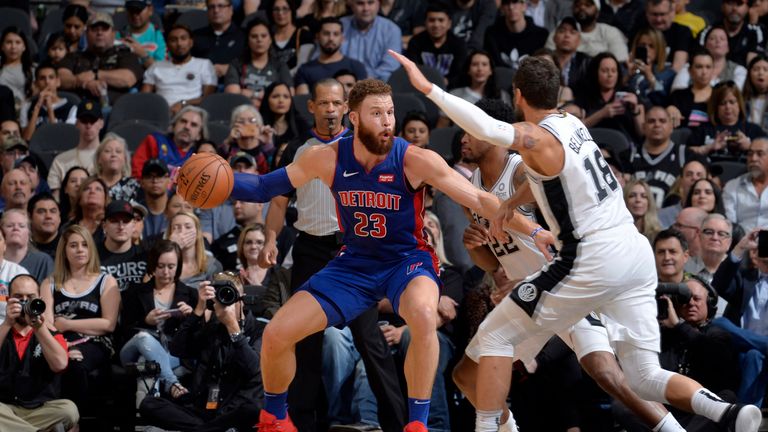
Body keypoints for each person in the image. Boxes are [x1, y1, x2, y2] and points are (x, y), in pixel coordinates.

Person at [391, 50, 763, 432]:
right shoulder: (573, 124)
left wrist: (429, 88)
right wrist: (507, 207)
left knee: (496, 339)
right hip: (631, 252)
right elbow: (551, 178)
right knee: (642, 375)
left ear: (518, 95)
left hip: (587, 261)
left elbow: (491, 130)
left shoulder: (534, 139)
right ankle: (728, 413)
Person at [227, 77, 504, 432]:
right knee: (279, 334)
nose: (387, 120)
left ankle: (415, 424)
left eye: (390, 112)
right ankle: (276, 419)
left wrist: (536, 230)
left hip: (404, 259)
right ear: (353, 117)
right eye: (377, 113)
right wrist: (219, 180)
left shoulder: (412, 158)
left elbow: (479, 199)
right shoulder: (322, 156)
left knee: (412, 322)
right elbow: (266, 188)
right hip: (349, 260)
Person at [457, 96, 684, 432]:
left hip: (562, 286)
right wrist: (474, 245)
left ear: (490, 133)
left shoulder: (521, 172)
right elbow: (493, 263)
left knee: (606, 371)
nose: (462, 138)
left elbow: (564, 231)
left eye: (469, 131)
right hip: (528, 298)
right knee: (467, 376)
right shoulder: (470, 188)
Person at [256, 78, 407, 432]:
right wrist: (270, 239)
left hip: (354, 251)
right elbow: (277, 202)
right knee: (304, 342)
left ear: (347, 110)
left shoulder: (362, 146)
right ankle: (302, 424)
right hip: (310, 248)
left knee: (369, 340)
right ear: (311, 107)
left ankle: (398, 424)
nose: (330, 110)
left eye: (336, 103)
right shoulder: (297, 149)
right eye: (323, 103)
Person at [139, 271, 262, 431]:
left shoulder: (259, 331)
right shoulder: (212, 328)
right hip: (202, 409)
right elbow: (177, 349)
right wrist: (198, 310)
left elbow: (254, 369)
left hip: (233, 411)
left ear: (242, 299)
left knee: (253, 409)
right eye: (220, 296)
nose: (225, 301)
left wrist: (233, 327)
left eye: (230, 295)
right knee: (149, 404)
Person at [40, 224, 120, 413]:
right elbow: (48, 324)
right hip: (60, 341)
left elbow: (108, 324)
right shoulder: (50, 283)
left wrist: (67, 324)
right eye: (73, 245)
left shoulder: (106, 281)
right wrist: (62, 346)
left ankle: (75, 421)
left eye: (85, 245)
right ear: (64, 250)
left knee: (76, 364)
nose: (80, 250)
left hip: (96, 342)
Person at [119, 239, 196, 405]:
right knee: (143, 337)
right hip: (133, 350)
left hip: (172, 353)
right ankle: (172, 383)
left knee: (148, 365)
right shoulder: (135, 292)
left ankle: (145, 417)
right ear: (153, 265)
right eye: (161, 266)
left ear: (178, 266)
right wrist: (146, 321)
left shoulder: (191, 294)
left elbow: (198, 337)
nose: (166, 272)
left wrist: (191, 316)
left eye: (171, 266)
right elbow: (123, 331)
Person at [0, 274, 79, 432]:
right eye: (18, 298)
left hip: (41, 409)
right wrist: (7, 323)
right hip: (6, 408)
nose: (24, 302)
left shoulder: (51, 332)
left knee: (69, 410)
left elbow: (60, 365)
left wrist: (39, 328)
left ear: (40, 301)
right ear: (8, 300)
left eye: (30, 298)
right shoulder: (3, 331)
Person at [711, 228, 768, 406]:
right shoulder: (745, 278)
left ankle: (742, 413)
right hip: (740, 348)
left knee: (754, 355)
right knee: (720, 323)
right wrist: (740, 247)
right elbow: (718, 286)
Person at [57, 13, 143, 104]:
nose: (99, 33)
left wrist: (96, 74)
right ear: (86, 33)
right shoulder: (73, 56)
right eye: (94, 29)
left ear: (113, 33)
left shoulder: (125, 55)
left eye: (104, 29)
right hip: (79, 108)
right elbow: (60, 78)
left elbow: (128, 79)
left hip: (115, 109)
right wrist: (84, 83)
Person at [629, 106, 700, 207]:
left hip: (673, 215)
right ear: (643, 127)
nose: (657, 125)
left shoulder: (686, 155)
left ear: (671, 126)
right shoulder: (629, 156)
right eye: (651, 121)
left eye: (662, 121)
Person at [141, 24, 217, 115]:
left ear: (191, 42)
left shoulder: (204, 64)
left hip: (191, 113)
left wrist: (183, 104)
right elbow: (144, 98)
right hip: (161, 113)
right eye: (173, 40)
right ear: (167, 45)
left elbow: (208, 99)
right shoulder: (156, 67)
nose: (179, 44)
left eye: (183, 38)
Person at [575, 52, 644, 144]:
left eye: (613, 71)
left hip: (624, 146)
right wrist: (602, 113)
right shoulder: (585, 95)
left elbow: (643, 134)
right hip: (593, 144)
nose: (610, 75)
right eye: (604, 71)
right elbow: (577, 129)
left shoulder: (629, 93)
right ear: (595, 72)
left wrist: (635, 111)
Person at [687, 81, 765, 161]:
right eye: (722, 103)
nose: (728, 107)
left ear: (739, 104)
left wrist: (750, 147)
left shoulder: (754, 130)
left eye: (732, 102)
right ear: (715, 106)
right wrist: (709, 147)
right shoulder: (704, 129)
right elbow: (685, 152)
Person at [223, 18, 293, 107]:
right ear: (248, 41)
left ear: (270, 40)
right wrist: (266, 95)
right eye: (254, 36)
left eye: (263, 36)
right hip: (243, 110)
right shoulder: (236, 64)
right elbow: (232, 95)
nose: (259, 40)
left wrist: (251, 94)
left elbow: (289, 95)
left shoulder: (280, 65)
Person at [295, 17, 368, 96]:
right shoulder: (305, 70)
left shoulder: (356, 66)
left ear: (342, 38)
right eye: (326, 33)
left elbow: (363, 99)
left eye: (336, 34)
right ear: (317, 37)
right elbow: (303, 101)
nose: (331, 38)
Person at [47, 99, 104, 198]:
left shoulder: (109, 159)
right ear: (77, 123)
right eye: (84, 121)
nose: (88, 125)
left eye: (92, 121)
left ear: (101, 123)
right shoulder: (61, 161)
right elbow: (55, 198)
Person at [131, 106, 208, 179]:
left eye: (193, 125)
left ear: (199, 135)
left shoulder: (200, 155)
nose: (187, 127)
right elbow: (137, 172)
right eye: (183, 121)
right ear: (173, 126)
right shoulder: (155, 141)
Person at [405, 2, 467, 86]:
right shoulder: (415, 42)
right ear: (425, 22)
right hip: (420, 87)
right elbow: (412, 70)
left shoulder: (459, 44)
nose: (436, 25)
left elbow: (461, 75)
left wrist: (445, 82)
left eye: (441, 20)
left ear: (449, 23)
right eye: (431, 20)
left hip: (451, 89)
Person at [544, 0, 629, 62]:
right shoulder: (560, 31)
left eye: (588, 5)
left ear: (597, 12)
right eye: (578, 5)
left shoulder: (611, 32)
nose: (582, 7)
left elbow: (621, 64)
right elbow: (546, 60)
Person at [671, 26, 748, 92]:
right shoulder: (688, 68)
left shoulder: (739, 70)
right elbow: (677, 93)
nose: (718, 41)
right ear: (705, 45)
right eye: (712, 38)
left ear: (728, 47)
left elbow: (737, 96)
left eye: (722, 39)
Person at [340, 0, 402, 82]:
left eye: (370, 3)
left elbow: (390, 66)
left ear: (378, 4)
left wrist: (366, 82)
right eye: (360, 3)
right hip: (342, 83)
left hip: (378, 85)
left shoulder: (391, 30)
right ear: (352, 6)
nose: (366, 8)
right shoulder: (340, 26)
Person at [483, 0, 549, 72]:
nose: (511, 7)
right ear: (501, 8)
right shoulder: (492, 34)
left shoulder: (541, 35)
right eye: (506, 3)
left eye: (515, 2)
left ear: (524, 6)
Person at [98, 200, 148, 291]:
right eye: (114, 221)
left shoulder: (146, 256)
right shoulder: (93, 257)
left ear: (133, 225)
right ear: (104, 226)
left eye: (126, 221)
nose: (121, 227)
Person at [698, 0, 765, 67]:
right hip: (713, 71)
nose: (734, 8)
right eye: (730, 3)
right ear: (722, 6)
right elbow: (699, 61)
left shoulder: (755, 32)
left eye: (739, 4)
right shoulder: (708, 32)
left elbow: (755, 65)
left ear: (747, 8)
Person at [20, 63, 77, 141]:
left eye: (51, 77)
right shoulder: (27, 106)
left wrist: (50, 109)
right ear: (36, 83)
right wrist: (37, 107)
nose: (47, 82)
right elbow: (27, 139)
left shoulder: (72, 108)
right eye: (42, 78)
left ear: (58, 82)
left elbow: (60, 141)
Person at [723, 137, 768, 233]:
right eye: (750, 154)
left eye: (760, 154)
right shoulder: (732, 187)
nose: (753, 159)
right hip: (742, 240)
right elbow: (730, 226)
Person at [165, 211, 222, 286]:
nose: (182, 231)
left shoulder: (212, 265)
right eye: (177, 227)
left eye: (188, 227)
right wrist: (171, 248)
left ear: (197, 233)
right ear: (170, 234)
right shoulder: (162, 263)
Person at [192, 0, 245, 79]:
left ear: (231, 9)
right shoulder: (195, 36)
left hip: (233, 82)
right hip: (200, 81)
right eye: (211, 7)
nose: (216, 10)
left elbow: (256, 64)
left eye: (221, 6)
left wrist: (231, 69)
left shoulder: (244, 35)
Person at [1, 209, 54, 284]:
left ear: (29, 233)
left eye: (21, 226)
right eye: (10, 226)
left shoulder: (42, 261)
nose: (16, 228)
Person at [259, 81, 309, 154]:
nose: (281, 101)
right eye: (275, 96)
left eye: (286, 96)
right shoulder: (259, 124)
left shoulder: (302, 125)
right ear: (267, 100)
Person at [117, 0, 166, 69]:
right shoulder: (118, 35)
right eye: (131, 10)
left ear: (150, 10)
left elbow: (161, 70)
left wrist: (142, 54)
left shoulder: (158, 35)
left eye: (138, 10)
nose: (134, 15)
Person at [269, 0, 314, 73]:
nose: (280, 13)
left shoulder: (303, 35)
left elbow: (303, 65)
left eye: (285, 9)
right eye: (276, 9)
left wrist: (283, 77)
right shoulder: (267, 36)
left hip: (295, 78)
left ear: (292, 11)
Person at [94, 133, 140, 202]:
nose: (113, 155)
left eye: (118, 151)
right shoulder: (90, 184)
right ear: (99, 159)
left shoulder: (135, 186)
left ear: (125, 159)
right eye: (108, 151)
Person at [551, 16, 591, 89]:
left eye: (572, 32)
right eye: (562, 31)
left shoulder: (587, 63)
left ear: (579, 40)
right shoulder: (545, 59)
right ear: (554, 38)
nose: (567, 35)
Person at [0, 27, 33, 106]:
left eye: (18, 42)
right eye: (9, 42)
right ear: (2, 46)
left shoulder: (33, 69)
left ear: (24, 47)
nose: (13, 47)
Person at [624, 178, 663, 243]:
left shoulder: (659, 236)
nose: (638, 200)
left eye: (644, 196)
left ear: (649, 202)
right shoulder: (617, 232)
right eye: (632, 196)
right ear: (624, 201)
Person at [28, 193, 61, 259]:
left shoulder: (68, 245)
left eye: (53, 211)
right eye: (41, 212)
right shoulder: (22, 248)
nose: (48, 216)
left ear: (59, 217)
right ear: (29, 217)